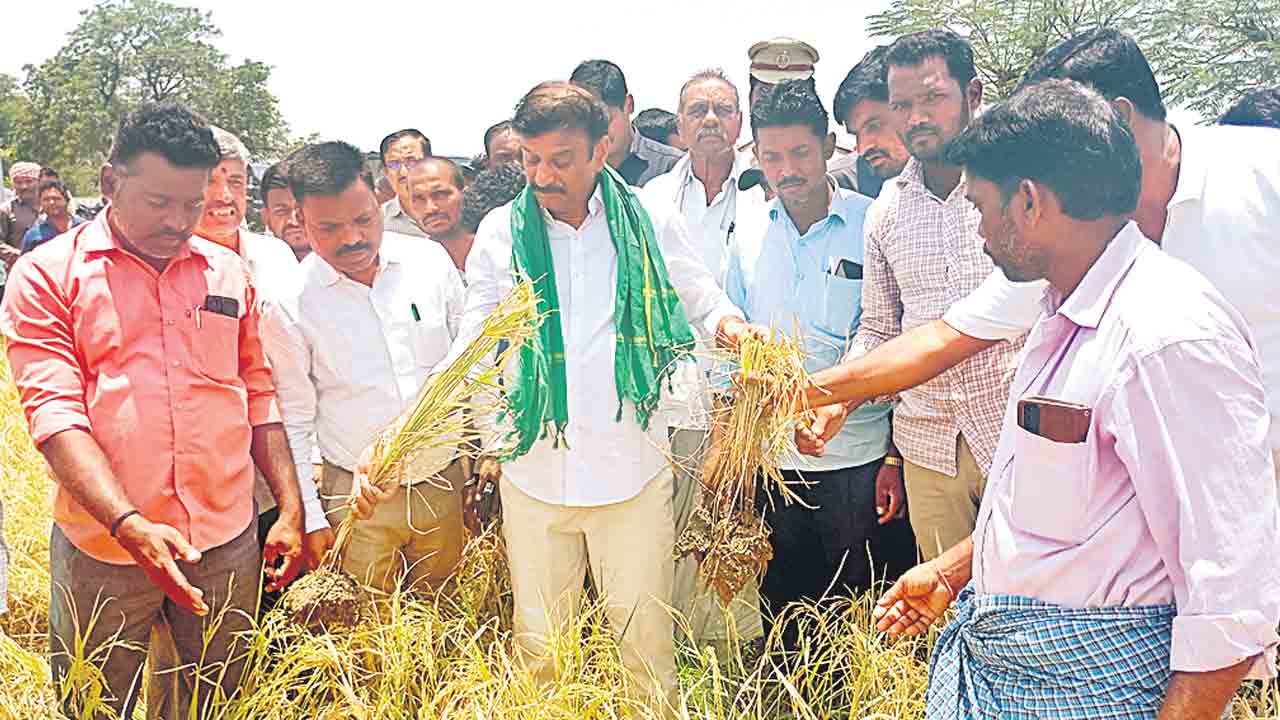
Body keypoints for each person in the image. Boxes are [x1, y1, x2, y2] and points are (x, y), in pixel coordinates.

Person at [876, 77, 1280, 720]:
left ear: (1029, 202)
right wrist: (957, 570)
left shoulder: (1165, 338)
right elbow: (1067, 518)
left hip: (1099, 691)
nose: (979, 232)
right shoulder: (1060, 315)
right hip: (1022, 677)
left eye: (981, 207)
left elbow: (1231, 596)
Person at [369, 81, 762, 712]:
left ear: (601, 148)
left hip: (632, 471)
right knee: (543, 651)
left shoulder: (649, 217)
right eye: (531, 159)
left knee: (645, 649)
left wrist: (739, 333)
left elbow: (702, 299)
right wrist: (405, 432)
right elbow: (475, 343)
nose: (543, 176)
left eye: (561, 159)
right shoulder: (503, 231)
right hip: (536, 474)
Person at [800, 29, 1280, 481]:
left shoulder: (1263, 173)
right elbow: (945, 337)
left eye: (1046, 150)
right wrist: (810, 392)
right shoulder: (1071, 237)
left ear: (1115, 120)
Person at [0, 102, 303, 719]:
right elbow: (55, 414)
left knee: (216, 701)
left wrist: (290, 505)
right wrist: (128, 523)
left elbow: (256, 389)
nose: (178, 221)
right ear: (110, 182)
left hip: (223, 539)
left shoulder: (225, 270)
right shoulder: (47, 276)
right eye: (159, 201)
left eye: (192, 202)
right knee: (94, 703)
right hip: (105, 547)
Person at [808, 30, 1023, 563]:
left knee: (1028, 595)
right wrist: (840, 401)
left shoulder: (1018, 187)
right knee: (940, 600)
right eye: (902, 105)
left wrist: (823, 391)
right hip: (928, 448)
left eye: (933, 98)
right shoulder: (886, 211)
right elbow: (879, 329)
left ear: (972, 95)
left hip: (1017, 437)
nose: (917, 117)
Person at [728, 79, 914, 647]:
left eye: (800, 153)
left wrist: (893, 455)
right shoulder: (748, 232)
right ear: (756, 157)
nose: (787, 170)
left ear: (830, 146)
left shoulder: (873, 222)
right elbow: (732, 332)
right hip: (772, 461)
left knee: (857, 611)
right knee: (782, 610)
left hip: (858, 459)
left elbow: (890, 333)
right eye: (772, 157)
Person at [263, 140, 469, 599]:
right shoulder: (290, 303)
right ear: (300, 220)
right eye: (329, 227)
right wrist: (313, 517)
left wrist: (479, 460)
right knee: (370, 627)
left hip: (443, 481)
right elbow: (295, 417)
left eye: (363, 220)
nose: (352, 238)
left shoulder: (428, 261)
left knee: (447, 614)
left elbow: (465, 361)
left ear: (379, 199)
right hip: (357, 501)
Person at [641, 67, 768, 653]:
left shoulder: (765, 189)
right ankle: (672, 653)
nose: (711, 120)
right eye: (698, 110)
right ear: (679, 124)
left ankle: (732, 660)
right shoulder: (651, 201)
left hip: (751, 396)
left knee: (738, 532)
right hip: (673, 396)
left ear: (741, 122)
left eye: (723, 109)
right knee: (673, 529)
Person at [191, 126, 314, 564]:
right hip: (212, 468)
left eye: (236, 181)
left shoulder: (276, 255)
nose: (224, 196)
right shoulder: (167, 264)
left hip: (289, 450)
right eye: (210, 181)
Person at [570, 59, 684, 186]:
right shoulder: (567, 168)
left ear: (629, 105)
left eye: (605, 120)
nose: (595, 131)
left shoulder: (673, 167)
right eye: (585, 122)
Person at [832, 45, 911, 197]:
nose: (863, 147)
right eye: (856, 135)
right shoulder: (840, 187)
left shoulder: (957, 174)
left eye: (873, 126)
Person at [405, 157, 470, 273]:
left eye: (440, 194)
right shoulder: (410, 268)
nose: (430, 208)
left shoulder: (497, 249)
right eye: (419, 198)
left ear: (465, 194)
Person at [379, 128, 432, 236]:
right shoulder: (378, 222)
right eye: (394, 164)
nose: (403, 172)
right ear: (386, 172)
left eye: (411, 161)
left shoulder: (458, 214)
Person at [260, 158, 310, 261]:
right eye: (281, 211)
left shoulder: (343, 265)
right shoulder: (245, 265)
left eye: (301, 210)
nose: (293, 221)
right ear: (266, 217)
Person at [0, 162, 41, 284]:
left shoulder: (51, 206)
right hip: (20, 274)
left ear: (39, 182)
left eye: (29, 181)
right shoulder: (6, 210)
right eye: (18, 182)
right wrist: (20, 255)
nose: (24, 186)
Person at [21, 180, 85, 253]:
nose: (51, 202)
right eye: (46, 199)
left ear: (66, 200)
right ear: (40, 203)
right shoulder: (34, 235)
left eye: (56, 198)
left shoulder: (84, 227)